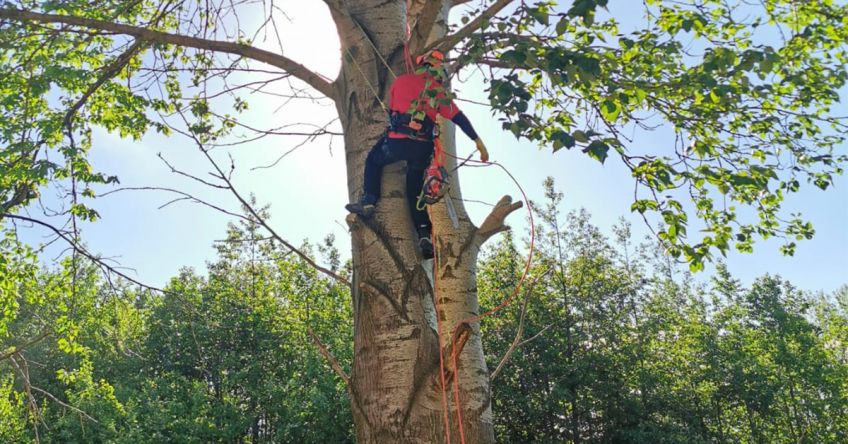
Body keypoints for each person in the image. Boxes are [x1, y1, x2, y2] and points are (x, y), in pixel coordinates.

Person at [345, 49, 488, 259]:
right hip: (422, 148)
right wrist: (477, 141)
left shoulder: (402, 81)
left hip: (397, 143)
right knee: (414, 190)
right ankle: (424, 234)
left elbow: (393, 108)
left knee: (374, 161)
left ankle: (369, 201)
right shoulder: (438, 93)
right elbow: (459, 118)